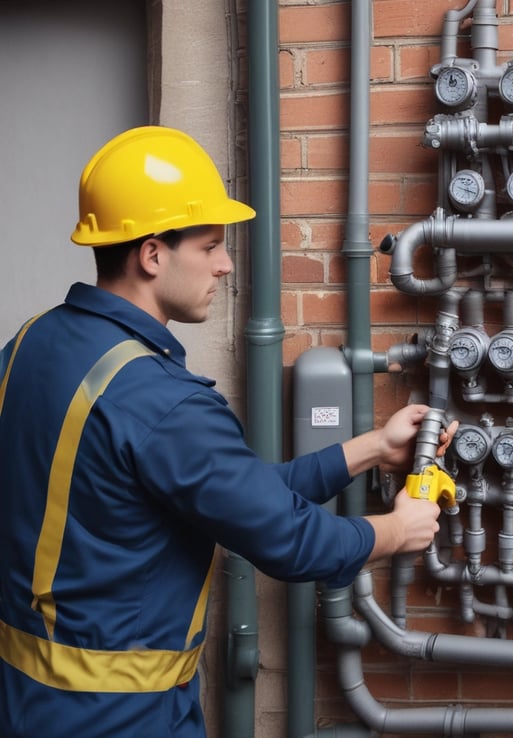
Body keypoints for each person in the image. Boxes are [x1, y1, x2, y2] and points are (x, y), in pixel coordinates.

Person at [0, 126, 454, 738]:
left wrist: (369, 448)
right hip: (123, 718)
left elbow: (227, 495)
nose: (224, 263)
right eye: (211, 245)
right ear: (153, 254)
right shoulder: (162, 401)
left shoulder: (28, 344)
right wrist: (397, 530)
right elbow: (288, 540)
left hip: (23, 699)